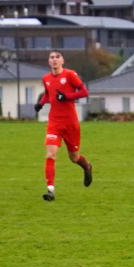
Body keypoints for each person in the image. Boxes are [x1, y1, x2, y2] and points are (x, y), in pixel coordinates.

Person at [34, 50, 92, 201]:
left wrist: (67, 96)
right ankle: (50, 191)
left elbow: (84, 92)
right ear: (48, 62)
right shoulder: (46, 78)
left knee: (74, 157)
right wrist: (40, 104)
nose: (54, 60)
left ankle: (87, 167)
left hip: (71, 123)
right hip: (54, 122)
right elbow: (48, 93)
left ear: (62, 61)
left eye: (57, 57)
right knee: (50, 154)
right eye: (51, 57)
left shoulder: (70, 75)